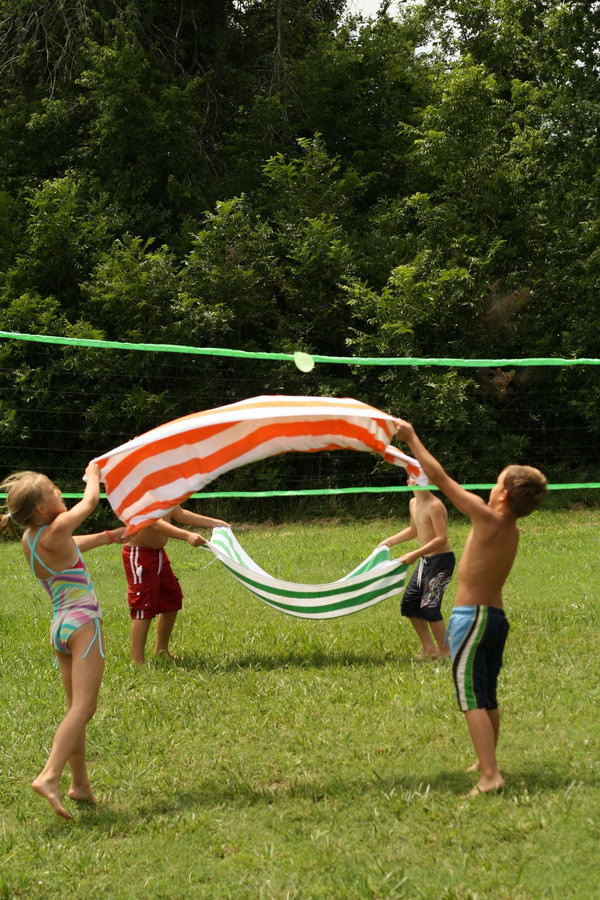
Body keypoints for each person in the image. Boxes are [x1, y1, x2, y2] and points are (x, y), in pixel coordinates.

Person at [393, 421, 547, 796]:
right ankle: (486, 758)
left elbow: (441, 478)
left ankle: (490, 775)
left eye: (496, 483)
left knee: (471, 698)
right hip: (495, 619)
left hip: (472, 619)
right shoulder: (511, 529)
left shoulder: (488, 517)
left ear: (503, 498)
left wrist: (412, 437)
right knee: (487, 692)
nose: (490, 488)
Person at [0, 464, 125, 819]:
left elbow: (69, 543)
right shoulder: (58, 527)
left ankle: (80, 785)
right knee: (84, 709)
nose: (60, 493)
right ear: (41, 508)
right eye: (54, 490)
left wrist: (107, 537)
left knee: (76, 711)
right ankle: (50, 775)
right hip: (85, 624)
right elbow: (90, 503)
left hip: (60, 627)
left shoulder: (31, 538)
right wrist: (91, 478)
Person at [123, 505, 230, 664]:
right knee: (143, 606)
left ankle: (161, 650)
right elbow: (155, 523)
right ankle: (137, 661)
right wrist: (186, 535)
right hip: (140, 555)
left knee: (171, 600)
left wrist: (214, 522)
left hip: (158, 554)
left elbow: (179, 514)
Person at [379, 473, 455, 659]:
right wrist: (390, 541)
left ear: (429, 480)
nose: (418, 480)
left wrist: (414, 554)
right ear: (407, 482)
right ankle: (429, 649)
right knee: (410, 605)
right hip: (426, 561)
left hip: (441, 561)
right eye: (414, 477)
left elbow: (441, 539)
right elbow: (414, 530)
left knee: (429, 607)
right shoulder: (413, 503)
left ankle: (446, 651)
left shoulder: (435, 505)